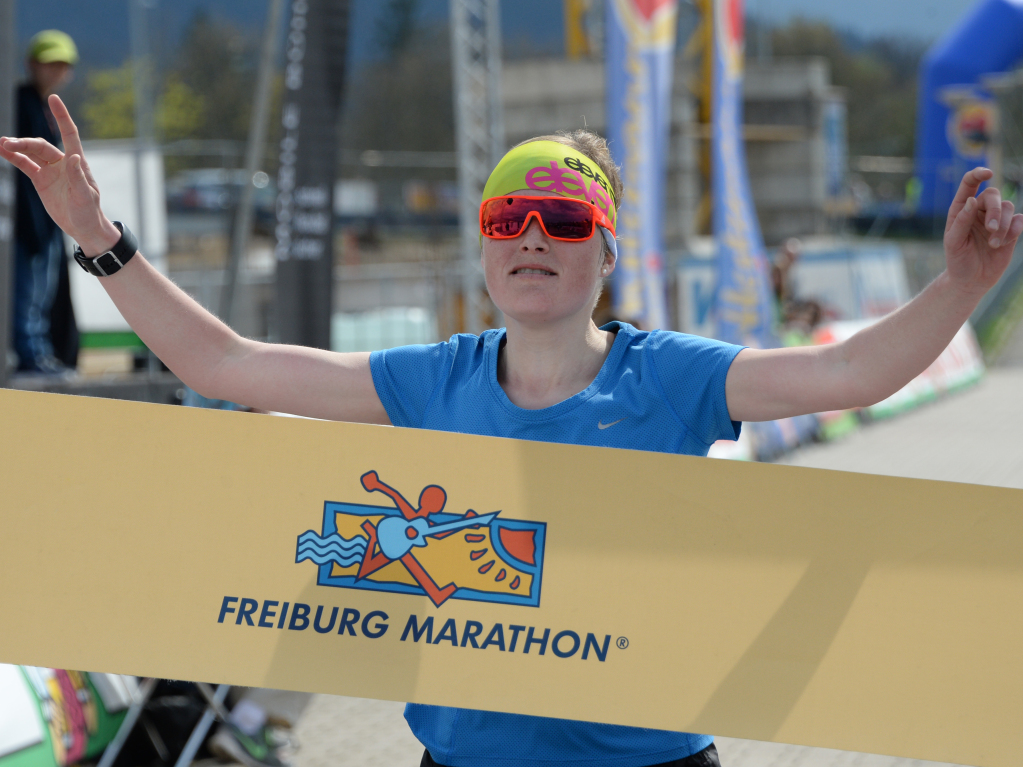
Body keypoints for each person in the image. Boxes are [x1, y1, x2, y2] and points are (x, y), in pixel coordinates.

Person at [3, 96, 1022, 767]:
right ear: (486, 249)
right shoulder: (432, 377)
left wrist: (962, 285)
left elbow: (850, 370)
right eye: (509, 219)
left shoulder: (668, 375)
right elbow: (224, 364)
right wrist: (99, 238)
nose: (533, 235)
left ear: (604, 251)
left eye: (564, 221)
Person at [12, 31, 80, 374]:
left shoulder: (44, 107)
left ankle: (39, 353)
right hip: (27, 219)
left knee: (43, 293)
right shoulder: (18, 103)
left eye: (63, 65)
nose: (56, 71)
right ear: (32, 64)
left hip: (47, 217)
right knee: (27, 292)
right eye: (50, 63)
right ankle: (31, 355)